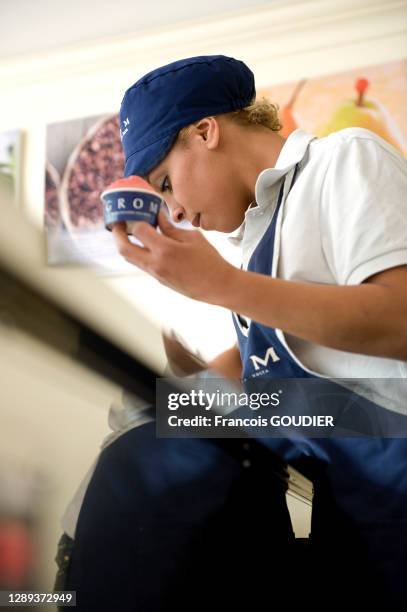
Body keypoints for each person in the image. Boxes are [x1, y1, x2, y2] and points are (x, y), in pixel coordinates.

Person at [110, 55, 407, 604]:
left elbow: (398, 320)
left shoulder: (343, 161)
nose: (172, 210)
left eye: (167, 183)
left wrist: (220, 285)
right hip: (349, 515)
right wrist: (192, 383)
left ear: (206, 131)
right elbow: (288, 367)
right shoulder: (253, 246)